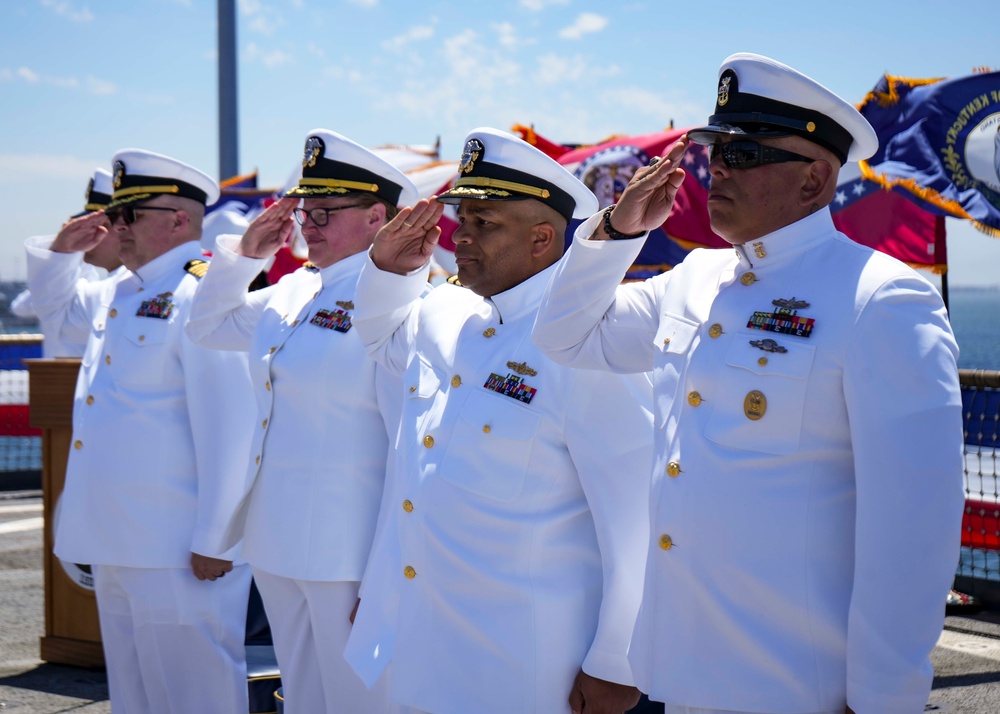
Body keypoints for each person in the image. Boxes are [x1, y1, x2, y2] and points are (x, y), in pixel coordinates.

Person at [533, 53, 964, 714]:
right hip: (676, 670)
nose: (719, 169)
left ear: (815, 179)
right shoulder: (693, 280)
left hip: (792, 684)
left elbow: (912, 526)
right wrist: (616, 232)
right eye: (716, 151)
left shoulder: (881, 298)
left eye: (746, 153)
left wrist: (882, 697)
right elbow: (563, 336)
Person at [346, 127, 653, 714]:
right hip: (421, 641)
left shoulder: (589, 344)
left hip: (525, 661)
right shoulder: (447, 313)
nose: (460, 238)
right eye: (463, 220)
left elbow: (634, 518)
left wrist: (616, 662)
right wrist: (387, 269)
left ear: (542, 238)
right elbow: (383, 344)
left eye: (485, 225)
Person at [186, 128, 419, 714]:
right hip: (276, 538)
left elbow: (406, 444)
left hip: (349, 548)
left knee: (361, 701)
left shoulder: (404, 299)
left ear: (376, 217)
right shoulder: (295, 289)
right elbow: (209, 327)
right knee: (304, 697)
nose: (307, 224)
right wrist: (242, 255)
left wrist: (387, 569)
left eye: (325, 211)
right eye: (303, 210)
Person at [25, 149, 256, 713]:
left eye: (130, 215)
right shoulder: (118, 294)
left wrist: (216, 538)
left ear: (179, 219)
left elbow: (232, 427)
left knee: (194, 689)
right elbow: (54, 309)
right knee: (134, 693)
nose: (116, 227)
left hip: (178, 546)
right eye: (114, 214)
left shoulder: (205, 295)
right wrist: (61, 252)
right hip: (119, 538)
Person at [12, 168, 124, 357]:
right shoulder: (98, 288)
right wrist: (62, 252)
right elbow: (46, 309)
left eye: (101, 226)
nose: (90, 233)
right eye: (87, 225)